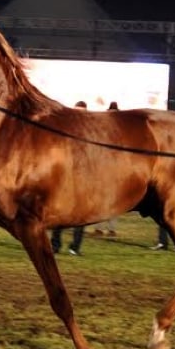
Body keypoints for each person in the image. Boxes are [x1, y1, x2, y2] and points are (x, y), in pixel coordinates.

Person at [51, 100, 88, 255]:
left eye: (82, 112)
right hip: (66, 177)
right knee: (60, 212)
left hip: (83, 177)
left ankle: (75, 246)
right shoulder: (66, 130)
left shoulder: (87, 132)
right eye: (77, 111)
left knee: (82, 214)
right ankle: (56, 244)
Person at [93, 101, 122, 238]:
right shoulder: (121, 127)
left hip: (104, 166)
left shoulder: (105, 125)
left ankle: (98, 227)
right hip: (116, 167)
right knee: (114, 201)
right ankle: (111, 229)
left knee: (100, 199)